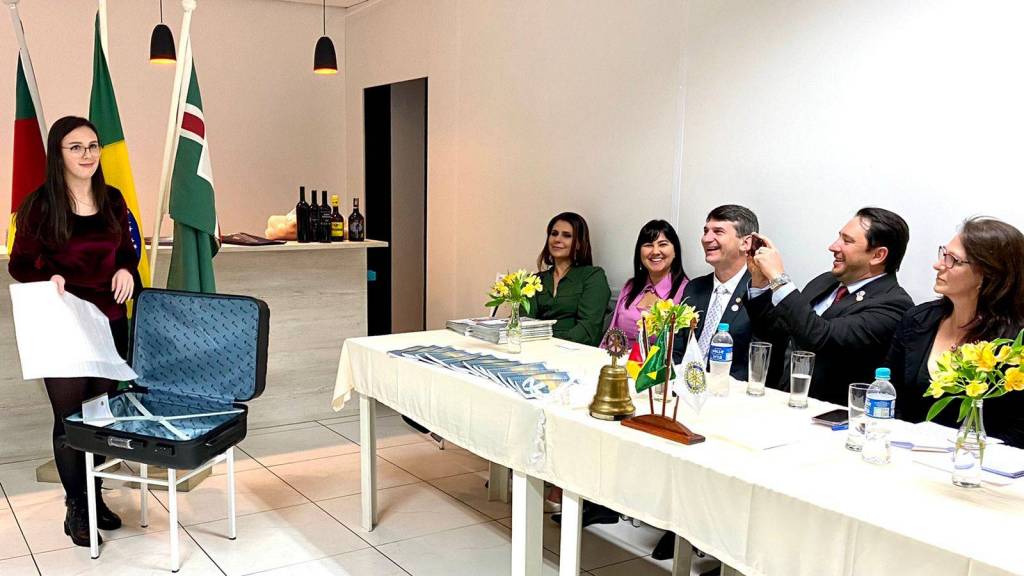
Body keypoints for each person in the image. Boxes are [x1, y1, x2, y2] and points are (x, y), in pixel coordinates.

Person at [8, 116, 141, 547]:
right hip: (64, 323)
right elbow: (19, 264)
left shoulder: (112, 199)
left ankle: (95, 495)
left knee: (99, 418)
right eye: (76, 147)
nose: (88, 154)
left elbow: (127, 252)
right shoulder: (40, 205)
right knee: (70, 421)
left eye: (93, 145)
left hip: (109, 320)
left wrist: (126, 270)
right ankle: (77, 507)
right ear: (58, 154)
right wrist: (47, 278)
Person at [744, 207, 914, 405]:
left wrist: (778, 279)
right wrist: (760, 281)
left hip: (832, 414)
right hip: (787, 400)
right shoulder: (825, 282)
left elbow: (820, 337)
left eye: (847, 241)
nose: (833, 246)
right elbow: (779, 332)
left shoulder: (893, 305)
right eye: (839, 237)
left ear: (878, 255)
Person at [886, 218, 1024, 447]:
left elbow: (1019, 431)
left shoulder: (1014, 344)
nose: (939, 265)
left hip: (983, 461)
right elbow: (889, 395)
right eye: (943, 254)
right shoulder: (918, 320)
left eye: (954, 260)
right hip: (907, 451)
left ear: (988, 275)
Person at [672, 205, 757, 380]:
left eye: (718, 232)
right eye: (705, 231)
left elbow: (759, 363)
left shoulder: (759, 293)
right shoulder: (694, 288)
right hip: (684, 386)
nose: (706, 239)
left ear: (745, 243)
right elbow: (677, 348)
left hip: (731, 390)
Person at [528, 212, 611, 347]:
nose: (557, 239)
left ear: (578, 243)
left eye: (567, 235)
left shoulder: (592, 276)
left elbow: (588, 329)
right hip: (534, 349)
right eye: (554, 234)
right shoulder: (534, 280)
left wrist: (551, 345)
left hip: (575, 350)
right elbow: (524, 322)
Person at [606, 220, 688, 349]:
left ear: (675, 251)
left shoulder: (686, 291)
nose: (655, 251)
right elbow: (612, 333)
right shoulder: (630, 286)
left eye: (663, 244)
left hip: (658, 361)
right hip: (620, 359)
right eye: (648, 245)